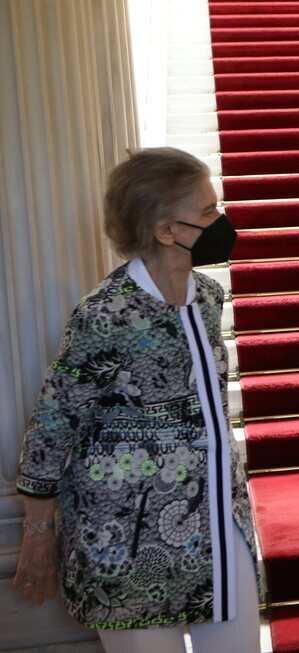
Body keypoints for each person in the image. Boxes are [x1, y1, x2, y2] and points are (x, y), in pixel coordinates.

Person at [12, 147, 261, 653]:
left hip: (218, 517)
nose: (223, 222)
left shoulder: (210, 297)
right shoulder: (105, 315)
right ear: (166, 230)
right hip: (122, 536)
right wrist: (38, 535)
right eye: (209, 211)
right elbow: (54, 423)